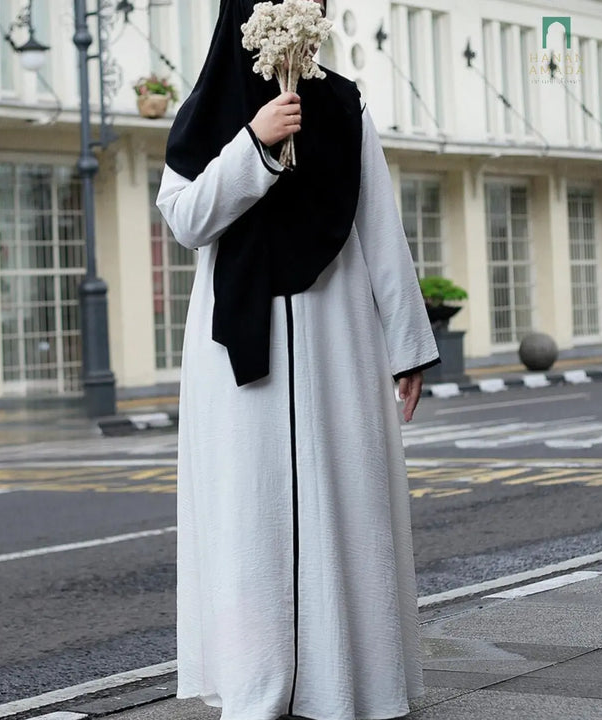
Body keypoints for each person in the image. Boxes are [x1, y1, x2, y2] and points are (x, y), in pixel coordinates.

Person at [156, 0, 440, 718]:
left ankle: (344, 679)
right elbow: (187, 219)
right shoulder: (209, 110)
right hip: (236, 355)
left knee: (342, 503)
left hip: (335, 340)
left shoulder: (343, 106)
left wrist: (407, 347)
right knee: (249, 517)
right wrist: (252, 144)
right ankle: (256, 681)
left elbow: (379, 227)